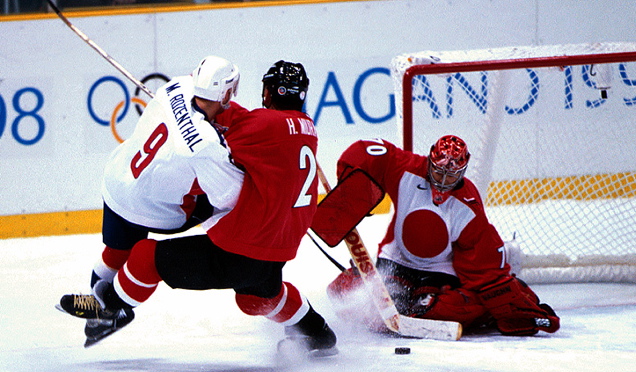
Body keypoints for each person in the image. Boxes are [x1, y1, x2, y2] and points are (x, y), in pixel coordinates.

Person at [60, 60, 338, 356]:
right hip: (280, 244)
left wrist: (186, 113)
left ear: (268, 93)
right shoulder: (308, 130)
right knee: (254, 298)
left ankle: (108, 308)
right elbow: (242, 121)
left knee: (146, 257)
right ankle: (320, 333)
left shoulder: (263, 125)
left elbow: (212, 142)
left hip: (244, 247)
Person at [57, 55, 243, 346]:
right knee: (222, 205)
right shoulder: (207, 144)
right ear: (225, 93)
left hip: (119, 183)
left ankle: (98, 306)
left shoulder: (176, 86)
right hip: (154, 210)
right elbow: (231, 193)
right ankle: (115, 307)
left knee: (115, 252)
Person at [326, 135, 560, 336]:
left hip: (439, 277)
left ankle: (456, 308)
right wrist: (350, 192)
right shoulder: (406, 168)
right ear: (429, 161)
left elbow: (485, 263)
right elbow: (366, 152)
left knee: (452, 307)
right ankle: (407, 306)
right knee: (342, 290)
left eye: (451, 176)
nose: (443, 181)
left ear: (463, 171)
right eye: (438, 172)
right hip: (394, 265)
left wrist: (505, 300)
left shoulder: (468, 203)